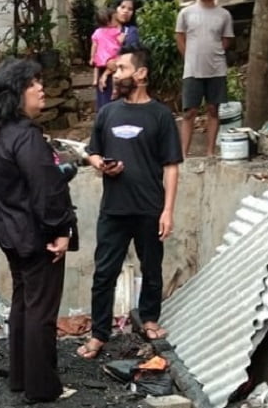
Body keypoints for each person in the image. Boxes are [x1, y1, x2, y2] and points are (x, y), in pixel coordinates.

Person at [0, 58, 78, 404]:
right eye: (33, 83)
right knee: (41, 311)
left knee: (24, 305)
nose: (41, 88)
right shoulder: (26, 137)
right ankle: (43, 388)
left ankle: (21, 379)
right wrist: (61, 229)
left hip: (11, 233)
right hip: (37, 237)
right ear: (16, 92)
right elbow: (46, 190)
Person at [79, 45, 182, 359]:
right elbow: (92, 151)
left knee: (152, 268)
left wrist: (167, 210)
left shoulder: (161, 116)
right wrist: (100, 165)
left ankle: (149, 320)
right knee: (104, 273)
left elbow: (171, 166)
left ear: (141, 74)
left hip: (150, 207)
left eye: (121, 68)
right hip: (114, 209)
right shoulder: (108, 112)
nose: (115, 74)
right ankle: (99, 334)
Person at [175, 0, 235, 158]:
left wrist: (215, 52)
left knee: (213, 110)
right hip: (192, 69)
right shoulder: (186, 13)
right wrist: (189, 57)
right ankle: (184, 154)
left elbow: (226, 40)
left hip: (216, 68)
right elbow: (180, 37)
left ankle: (210, 152)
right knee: (189, 112)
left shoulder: (224, 14)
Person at [95, 0, 139, 110]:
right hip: (104, 80)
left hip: (123, 79)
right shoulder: (102, 31)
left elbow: (129, 55)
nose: (126, 11)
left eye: (130, 9)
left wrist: (110, 67)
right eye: (122, 7)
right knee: (105, 112)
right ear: (115, 9)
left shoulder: (131, 32)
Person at [90, 7, 124, 97]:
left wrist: (92, 57)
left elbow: (94, 45)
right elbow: (121, 41)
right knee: (114, 73)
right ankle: (114, 90)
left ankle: (95, 80)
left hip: (101, 56)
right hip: (113, 55)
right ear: (109, 22)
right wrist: (123, 36)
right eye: (115, 19)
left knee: (96, 67)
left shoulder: (97, 32)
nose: (117, 20)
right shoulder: (115, 31)